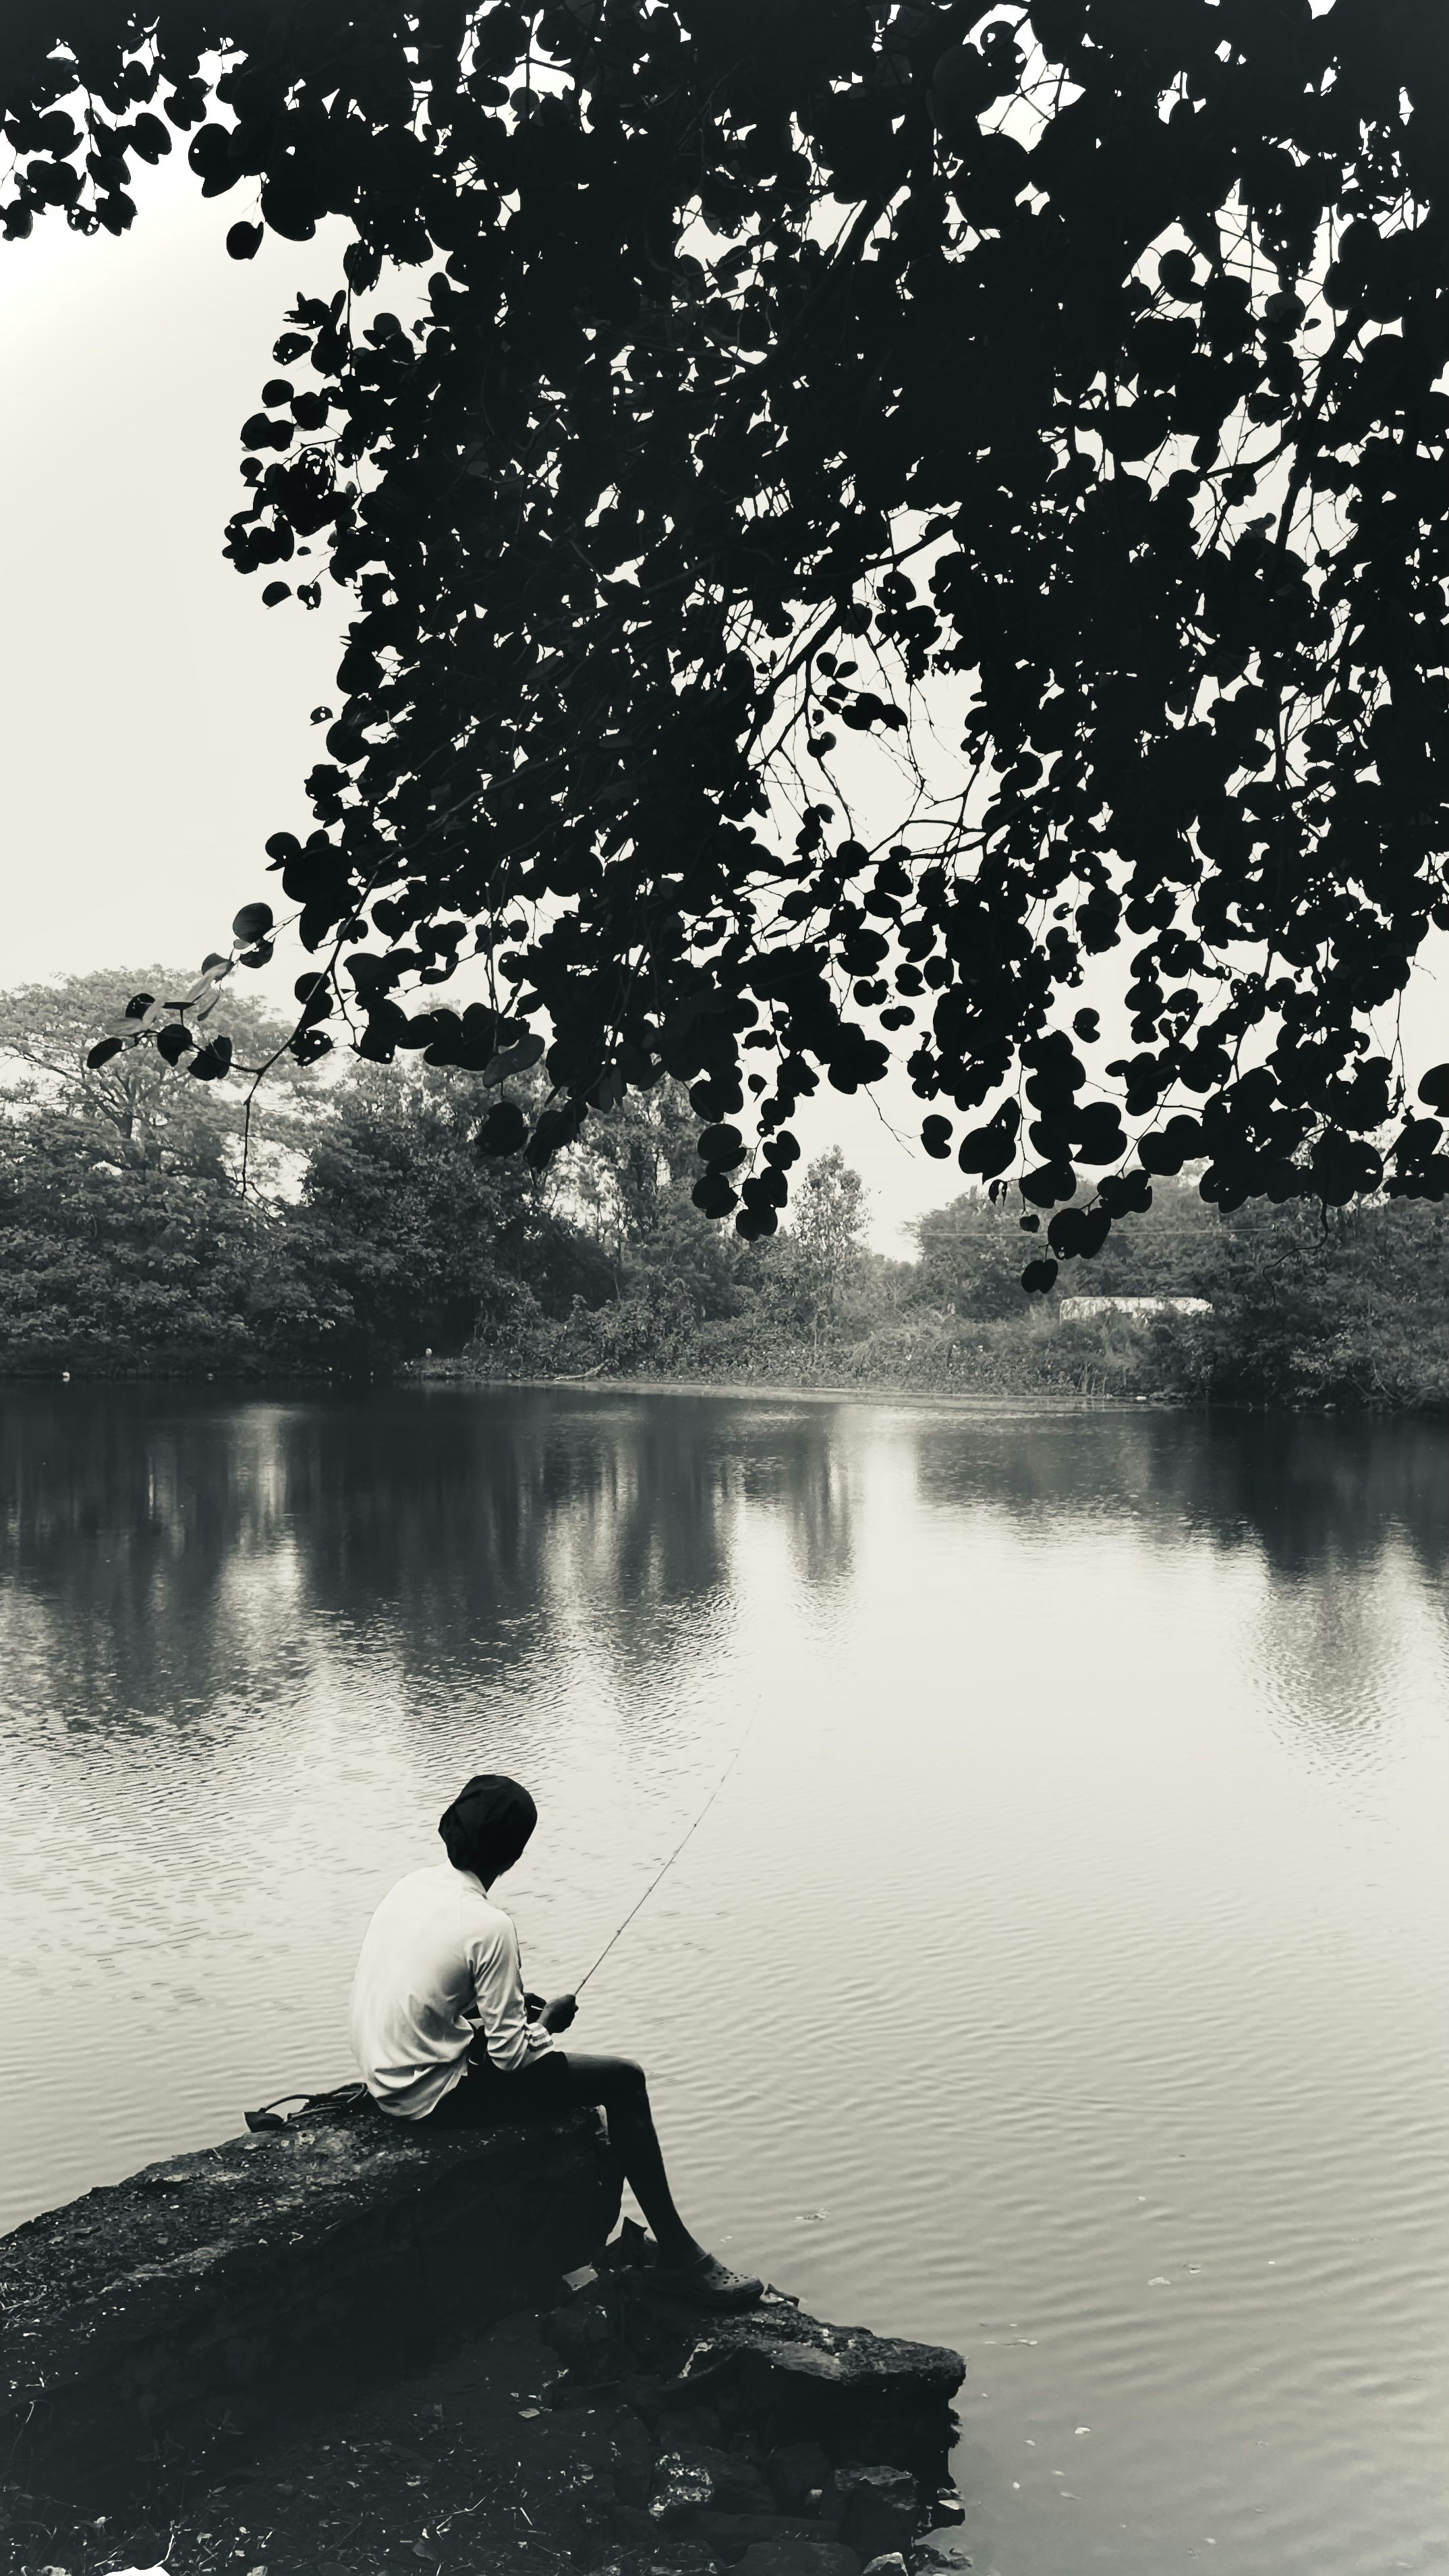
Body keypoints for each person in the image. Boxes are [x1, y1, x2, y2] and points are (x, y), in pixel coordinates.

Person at [349, 1770, 762, 2311]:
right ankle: (682, 2259)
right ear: (515, 1855)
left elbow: (438, 1989)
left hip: (384, 2072)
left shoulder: (412, 1886)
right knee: (624, 2081)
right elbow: (512, 2057)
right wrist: (547, 2025)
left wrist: (513, 2010)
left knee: (551, 2050)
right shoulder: (490, 1925)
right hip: (425, 2097)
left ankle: (677, 2254)